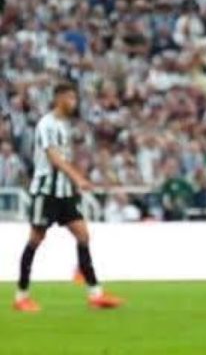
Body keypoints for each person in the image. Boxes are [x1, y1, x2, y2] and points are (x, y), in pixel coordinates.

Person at [13, 83, 123, 312]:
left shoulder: (64, 126)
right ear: (59, 98)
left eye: (75, 98)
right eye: (70, 98)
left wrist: (73, 182)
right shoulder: (47, 124)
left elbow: (65, 158)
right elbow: (54, 158)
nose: (74, 102)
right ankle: (21, 296)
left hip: (64, 193)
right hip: (46, 192)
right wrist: (78, 178)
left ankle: (95, 294)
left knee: (83, 235)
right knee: (35, 240)